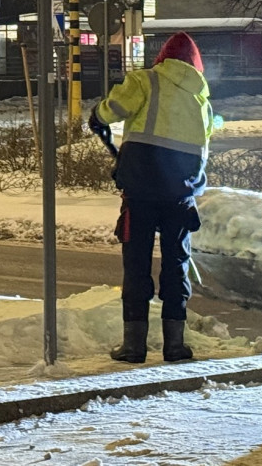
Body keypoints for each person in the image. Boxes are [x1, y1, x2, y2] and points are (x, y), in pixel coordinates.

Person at [89, 31, 214, 364]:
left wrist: (98, 115)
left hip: (141, 191)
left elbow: (112, 110)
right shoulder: (201, 98)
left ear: (163, 58)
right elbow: (203, 150)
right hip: (179, 195)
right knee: (176, 266)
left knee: (136, 265)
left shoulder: (146, 81)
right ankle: (175, 345)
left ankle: (134, 346)